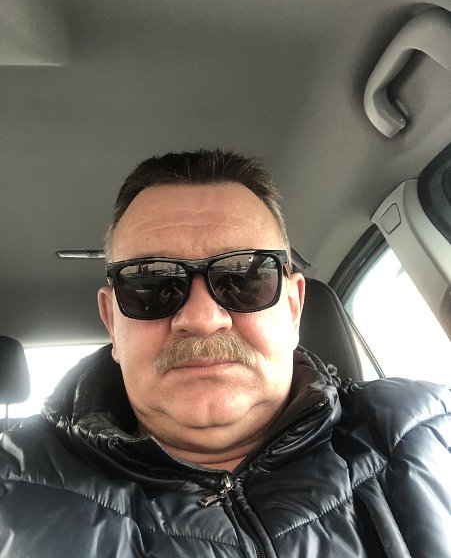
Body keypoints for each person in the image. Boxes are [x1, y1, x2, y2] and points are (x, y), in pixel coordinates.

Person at [0, 149, 450, 557]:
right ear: (112, 323)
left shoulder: (430, 432)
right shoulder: (10, 489)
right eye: (152, 284)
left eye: (244, 277)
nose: (201, 318)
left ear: (293, 309)